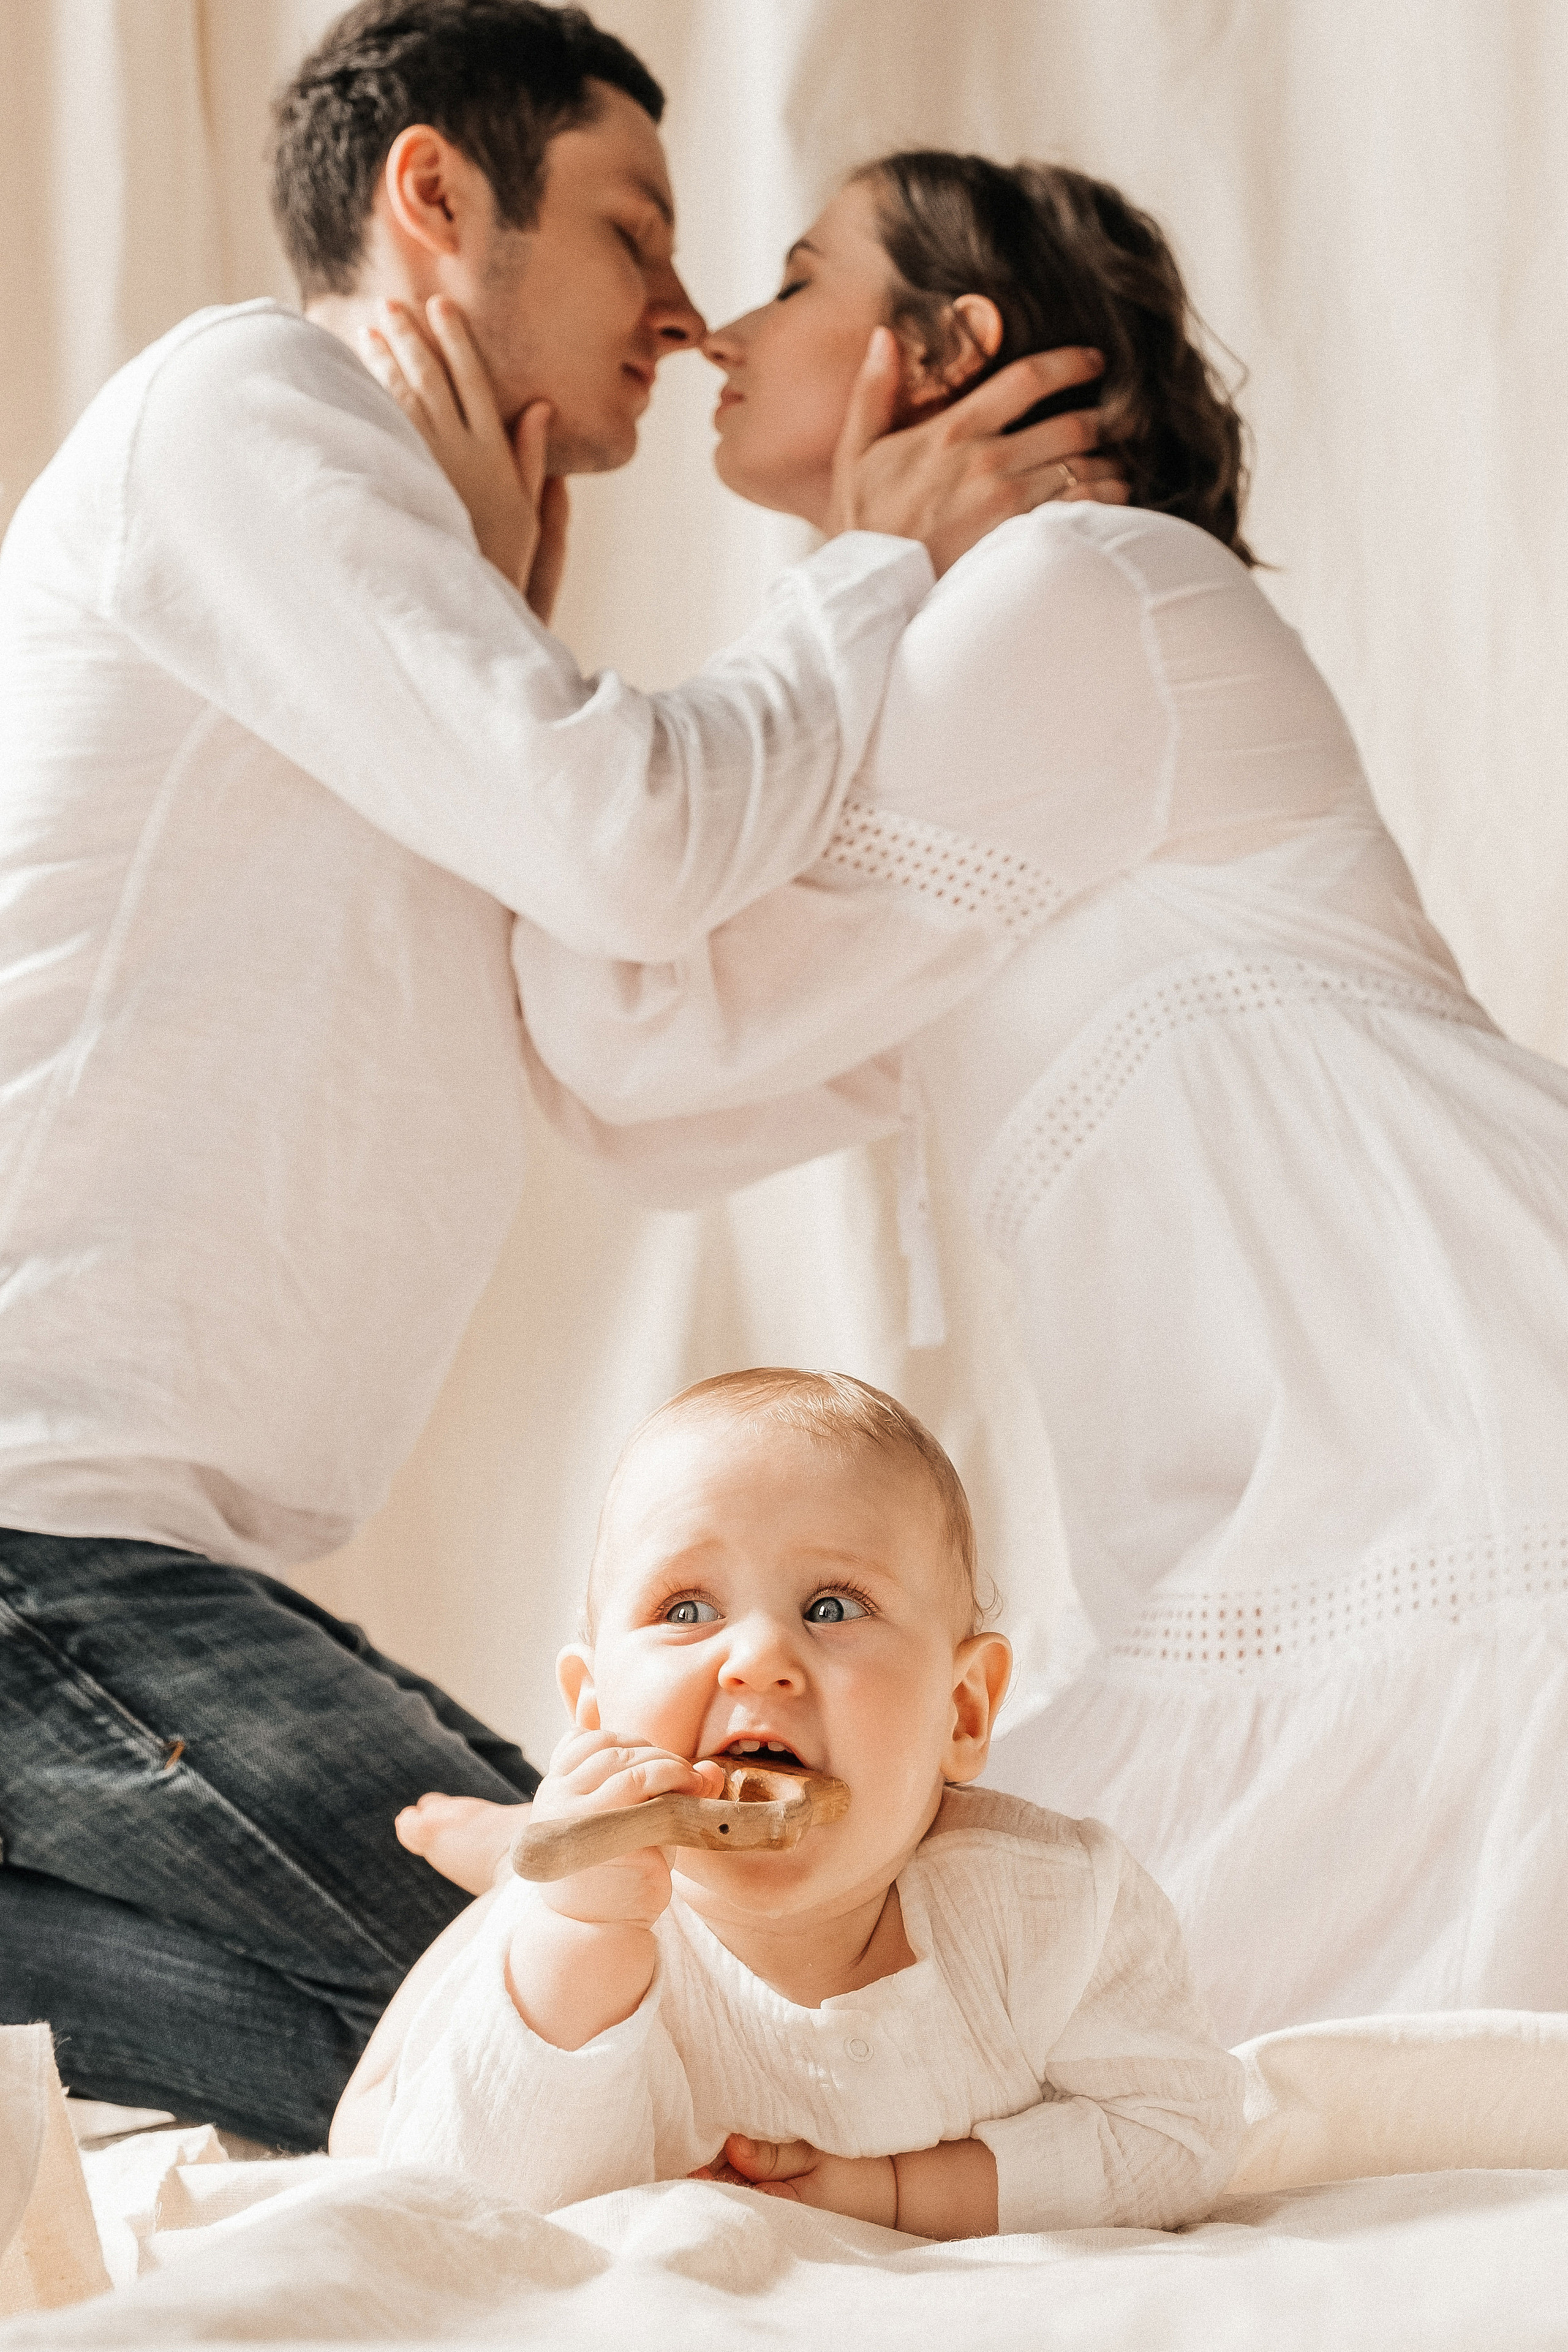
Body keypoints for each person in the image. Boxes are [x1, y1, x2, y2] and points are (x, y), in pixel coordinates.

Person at [0, 5, 1126, 2150]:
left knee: (566, 2019)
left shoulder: (406, 597)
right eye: (635, 230)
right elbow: (629, 832)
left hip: (129, 1550)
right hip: (41, 1527)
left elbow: (614, 1071)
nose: (690, 312)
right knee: (599, 2012)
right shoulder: (248, 407)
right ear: (435, 199)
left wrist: (981, 988)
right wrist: (879, 560)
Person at [381, 149, 1568, 2046]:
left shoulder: (1080, 583)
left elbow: (636, 1032)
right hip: (1315, 1507)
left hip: (1461, 1450)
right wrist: (505, 656)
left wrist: (525, 649)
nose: (714, 331)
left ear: (953, 347)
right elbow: (642, 1106)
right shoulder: (975, 694)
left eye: (789, 280)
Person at [333, 1370, 1243, 2237]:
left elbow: (1181, 2138)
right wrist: (581, 1942)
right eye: (687, 1610)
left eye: (834, 1607)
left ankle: (506, 1837)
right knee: (382, 2100)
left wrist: (902, 2194)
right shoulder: (573, 1921)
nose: (758, 1656)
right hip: (493, 1976)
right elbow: (469, 2199)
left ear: (960, 1711)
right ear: (597, 1711)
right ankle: (511, 1847)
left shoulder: (1056, 1909)